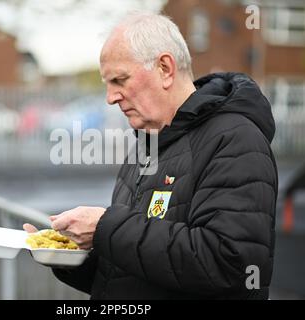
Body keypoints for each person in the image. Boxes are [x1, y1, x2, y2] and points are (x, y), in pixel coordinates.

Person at [23, 12, 278, 299]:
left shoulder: (234, 139)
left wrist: (106, 228)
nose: (110, 97)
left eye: (120, 80)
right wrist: (65, 256)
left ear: (165, 68)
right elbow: (132, 269)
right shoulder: (148, 143)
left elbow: (228, 265)